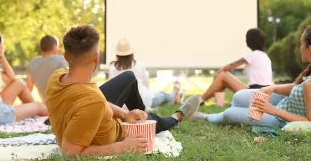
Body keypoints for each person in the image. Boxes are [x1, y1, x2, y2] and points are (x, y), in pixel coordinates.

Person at [45, 24, 200, 158]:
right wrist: (123, 147)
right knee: (149, 119)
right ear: (96, 58)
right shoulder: (92, 101)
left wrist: (125, 113)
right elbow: (69, 152)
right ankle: (176, 117)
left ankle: (164, 116)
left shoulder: (56, 77)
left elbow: (95, 102)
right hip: (115, 130)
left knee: (128, 79)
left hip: (93, 117)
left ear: (65, 56)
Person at [193, 26, 311, 128]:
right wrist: (273, 87)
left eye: (301, 45)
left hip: (280, 119)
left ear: (309, 49)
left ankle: (207, 117)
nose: (299, 48)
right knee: (238, 96)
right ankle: (235, 109)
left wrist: (272, 110)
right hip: (285, 102)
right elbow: (298, 88)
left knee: (230, 113)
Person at [0, 31, 47, 127]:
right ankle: (61, 116)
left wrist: (2, 58)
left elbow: (12, 79)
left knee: (19, 83)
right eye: (2, 45)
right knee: (38, 106)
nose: (4, 48)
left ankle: (31, 111)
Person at [200, 28, 273, 105]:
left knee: (222, 75)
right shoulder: (265, 56)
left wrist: (217, 74)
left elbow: (228, 67)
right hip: (264, 93)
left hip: (255, 94)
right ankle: (219, 103)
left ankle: (200, 100)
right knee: (223, 81)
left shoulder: (252, 55)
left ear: (250, 40)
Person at [109, 39, 184, 109]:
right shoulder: (138, 65)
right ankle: (174, 93)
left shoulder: (112, 67)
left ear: (117, 54)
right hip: (145, 100)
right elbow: (146, 84)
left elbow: (112, 86)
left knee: (163, 100)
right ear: (131, 53)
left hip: (122, 106)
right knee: (162, 95)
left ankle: (175, 99)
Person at [27, 35, 68, 103]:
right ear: (54, 47)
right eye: (58, 46)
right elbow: (67, 84)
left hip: (45, 104)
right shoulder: (61, 60)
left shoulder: (32, 62)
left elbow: (29, 88)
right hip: (60, 104)